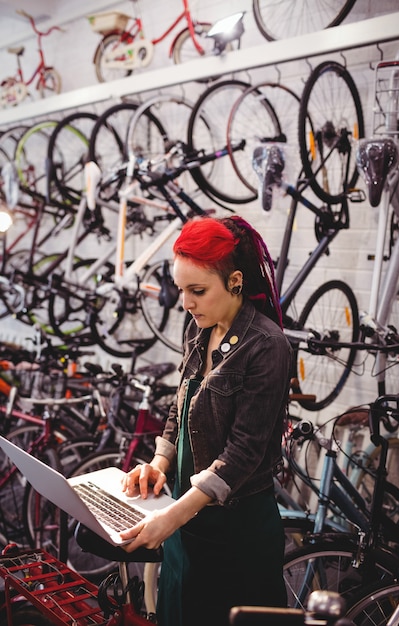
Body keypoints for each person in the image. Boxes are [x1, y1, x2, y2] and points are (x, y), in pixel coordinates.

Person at [120, 215, 293, 626]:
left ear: (235, 281)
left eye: (197, 291)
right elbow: (180, 408)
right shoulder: (199, 328)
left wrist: (174, 515)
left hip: (236, 533)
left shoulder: (267, 346)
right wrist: (159, 465)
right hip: (185, 522)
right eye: (181, 290)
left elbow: (244, 452)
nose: (185, 303)